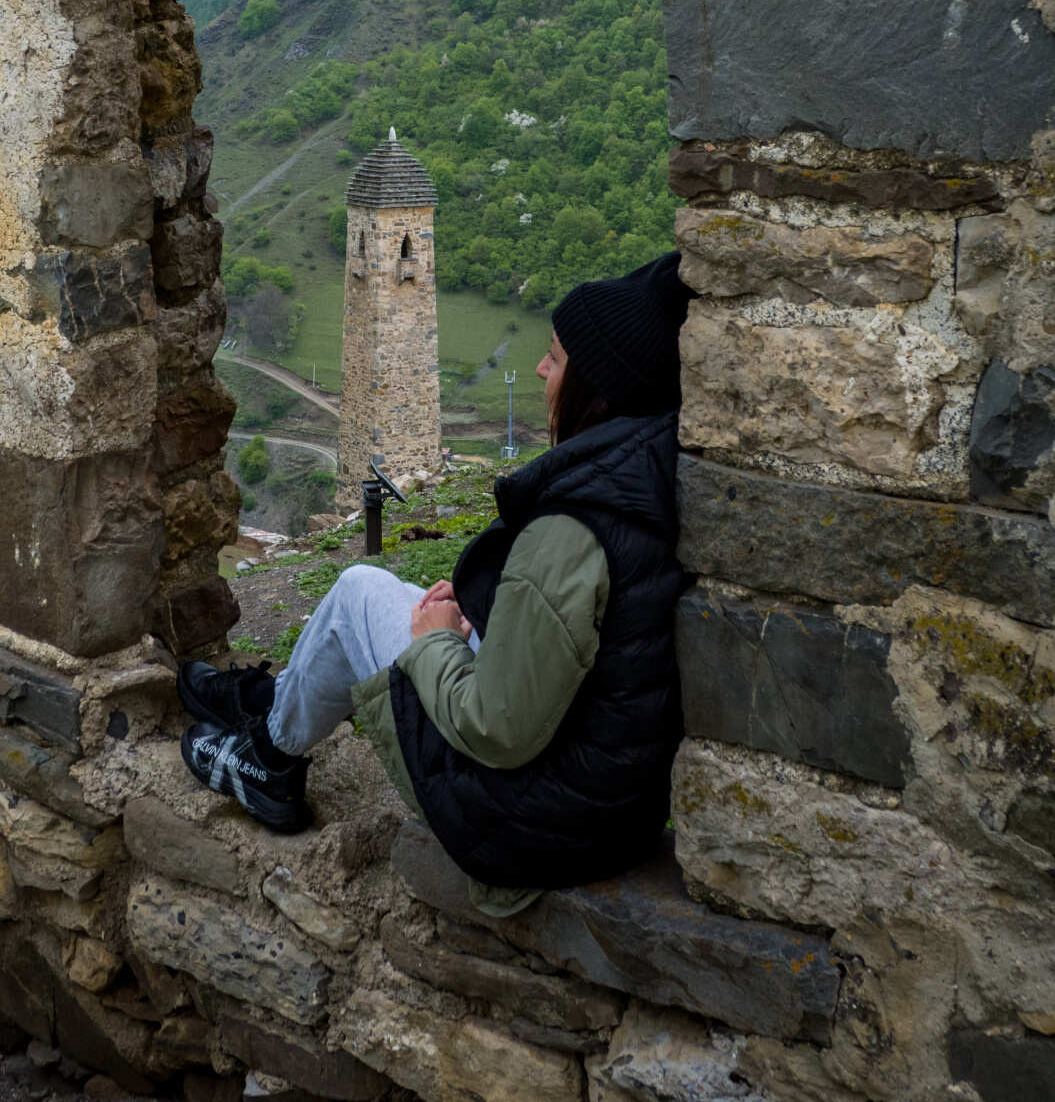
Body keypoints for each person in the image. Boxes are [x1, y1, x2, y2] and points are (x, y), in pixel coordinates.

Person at [177, 251, 691, 911]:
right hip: (601, 796)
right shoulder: (654, 471)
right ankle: (274, 699)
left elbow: (495, 729)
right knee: (381, 595)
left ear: (600, 388)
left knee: (360, 592)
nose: (538, 368)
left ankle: (269, 759)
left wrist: (435, 642)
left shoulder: (574, 529)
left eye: (556, 358)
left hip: (527, 822)